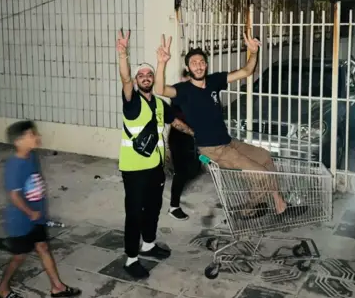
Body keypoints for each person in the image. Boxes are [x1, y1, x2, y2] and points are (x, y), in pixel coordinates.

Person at [153, 34, 290, 218]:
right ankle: (250, 208)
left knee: (264, 157)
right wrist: (161, 62)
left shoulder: (214, 81)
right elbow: (160, 90)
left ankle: (277, 200)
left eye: (201, 62)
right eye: (194, 63)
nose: (199, 65)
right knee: (260, 174)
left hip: (227, 142)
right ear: (188, 68)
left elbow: (246, 71)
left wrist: (254, 52)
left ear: (206, 65)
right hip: (212, 149)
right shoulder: (183, 91)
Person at [116, 29, 194, 279]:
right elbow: (125, 79)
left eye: (150, 74)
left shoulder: (160, 103)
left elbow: (176, 123)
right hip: (134, 169)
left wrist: (196, 134)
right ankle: (131, 259)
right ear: (137, 80)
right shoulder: (131, 101)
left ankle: (148, 244)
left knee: (153, 208)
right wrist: (123, 54)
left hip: (155, 167)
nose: (146, 77)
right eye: (142, 75)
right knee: (134, 212)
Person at [0, 120, 81, 298]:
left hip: (36, 217)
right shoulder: (14, 165)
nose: (37, 137)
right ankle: (2, 289)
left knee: (42, 248)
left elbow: (36, 184)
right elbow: (14, 195)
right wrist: (30, 212)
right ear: (18, 141)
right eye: (32, 135)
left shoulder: (32, 157)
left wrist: (40, 212)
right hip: (21, 221)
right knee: (19, 257)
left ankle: (57, 286)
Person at [167, 71, 202, 220]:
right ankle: (174, 207)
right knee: (180, 172)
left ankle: (178, 178)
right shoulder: (177, 95)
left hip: (192, 139)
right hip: (179, 138)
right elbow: (176, 120)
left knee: (194, 169)